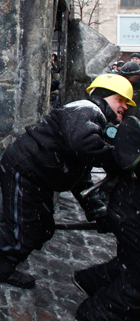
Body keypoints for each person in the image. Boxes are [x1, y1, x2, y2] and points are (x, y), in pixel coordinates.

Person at [0, 74, 135, 289]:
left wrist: (95, 209)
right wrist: (116, 158)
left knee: (42, 229)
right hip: (24, 170)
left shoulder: (92, 120)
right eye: (120, 100)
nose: (124, 106)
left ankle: (2, 269)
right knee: (22, 232)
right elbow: (82, 146)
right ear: (103, 95)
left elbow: (80, 173)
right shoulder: (86, 110)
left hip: (38, 176)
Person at [72, 114, 140, 320]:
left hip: (127, 205)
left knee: (130, 262)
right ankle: (98, 313)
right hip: (131, 210)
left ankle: (90, 281)